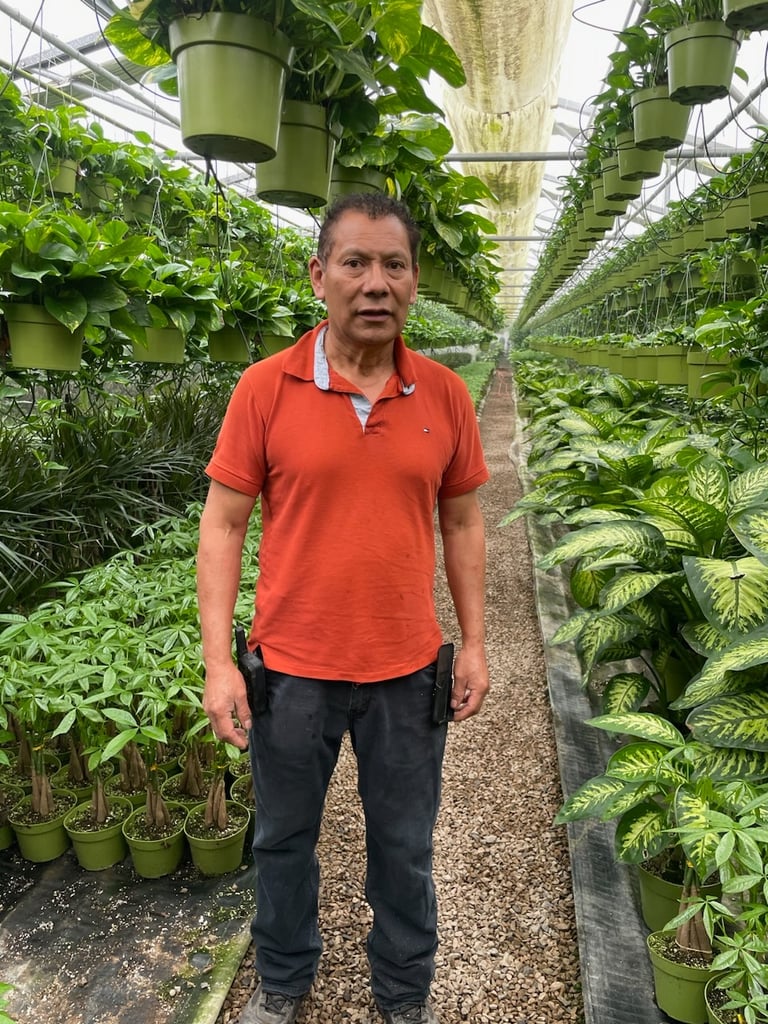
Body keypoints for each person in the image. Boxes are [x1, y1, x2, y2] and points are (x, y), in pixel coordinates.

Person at [196, 193, 490, 1024]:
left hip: (407, 671)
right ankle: (284, 979)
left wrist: (474, 642)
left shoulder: (444, 395)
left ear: (414, 281)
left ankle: (403, 993)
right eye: (355, 263)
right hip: (291, 671)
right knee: (282, 840)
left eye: (393, 265)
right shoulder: (264, 388)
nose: (375, 283)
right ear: (319, 276)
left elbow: (463, 522)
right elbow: (223, 525)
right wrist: (219, 664)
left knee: (404, 846)